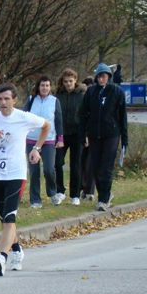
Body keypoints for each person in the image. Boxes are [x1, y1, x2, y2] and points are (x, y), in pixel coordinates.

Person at [0, 82, 50, 276]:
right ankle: (17, 250)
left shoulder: (23, 117)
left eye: (6, 99)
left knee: (9, 216)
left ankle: (2, 256)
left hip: (16, 173)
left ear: (14, 100)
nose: (3, 103)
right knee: (4, 219)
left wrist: (36, 149)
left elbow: (47, 125)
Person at [79, 63, 128, 211]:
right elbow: (83, 114)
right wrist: (83, 134)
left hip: (111, 134)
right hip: (94, 134)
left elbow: (122, 116)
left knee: (106, 167)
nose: (101, 79)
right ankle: (105, 194)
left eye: (104, 76)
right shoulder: (91, 92)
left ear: (109, 77)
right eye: (99, 76)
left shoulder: (117, 92)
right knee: (95, 167)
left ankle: (103, 199)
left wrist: (124, 138)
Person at [23, 76, 63, 208]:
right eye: (42, 85)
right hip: (32, 140)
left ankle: (52, 193)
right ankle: (35, 200)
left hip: (49, 140)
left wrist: (60, 139)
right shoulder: (31, 99)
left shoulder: (55, 101)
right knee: (34, 171)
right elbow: (24, 117)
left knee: (49, 169)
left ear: (50, 87)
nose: (44, 88)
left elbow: (58, 120)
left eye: (47, 85)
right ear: (38, 87)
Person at [55, 68, 86, 206]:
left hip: (77, 134)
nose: (68, 84)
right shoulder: (58, 96)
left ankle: (75, 194)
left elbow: (86, 115)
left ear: (75, 81)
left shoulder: (82, 95)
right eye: (65, 81)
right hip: (61, 134)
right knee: (57, 163)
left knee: (76, 165)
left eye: (70, 81)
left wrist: (86, 134)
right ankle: (60, 191)